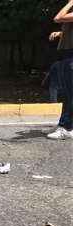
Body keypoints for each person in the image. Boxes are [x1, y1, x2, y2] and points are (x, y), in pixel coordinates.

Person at [46, 1, 73, 140]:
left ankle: (67, 127)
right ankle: (65, 125)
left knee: (69, 93)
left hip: (71, 55)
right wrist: (61, 33)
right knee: (68, 92)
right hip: (67, 54)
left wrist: (70, 3)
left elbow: (58, 17)